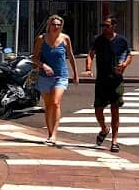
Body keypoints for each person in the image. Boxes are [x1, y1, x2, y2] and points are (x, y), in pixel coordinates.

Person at [85, 16, 131, 153]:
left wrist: (124, 65)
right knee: (98, 109)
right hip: (101, 80)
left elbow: (128, 55)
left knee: (115, 110)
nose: (104, 28)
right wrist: (88, 68)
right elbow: (90, 54)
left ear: (114, 26)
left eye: (106, 25)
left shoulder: (122, 41)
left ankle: (114, 141)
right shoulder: (98, 40)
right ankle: (104, 129)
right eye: (103, 26)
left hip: (116, 80)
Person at [33, 14, 78, 146]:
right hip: (44, 76)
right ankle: (49, 133)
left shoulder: (65, 39)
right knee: (48, 106)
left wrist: (75, 74)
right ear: (49, 25)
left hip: (61, 75)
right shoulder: (41, 39)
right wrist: (44, 66)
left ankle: (54, 134)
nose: (56, 27)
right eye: (54, 24)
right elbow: (34, 58)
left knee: (55, 102)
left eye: (58, 25)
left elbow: (70, 56)